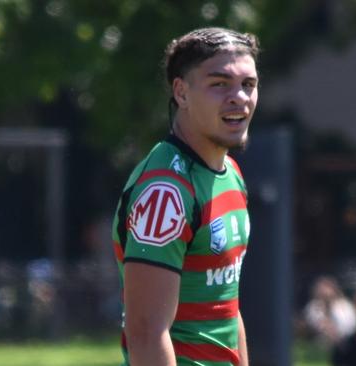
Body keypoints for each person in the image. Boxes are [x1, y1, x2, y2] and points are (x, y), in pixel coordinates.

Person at [111, 27, 259, 366]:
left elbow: (228, 310)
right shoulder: (166, 191)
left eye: (248, 85)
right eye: (219, 84)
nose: (239, 97)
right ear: (181, 92)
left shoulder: (230, 174)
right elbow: (147, 332)